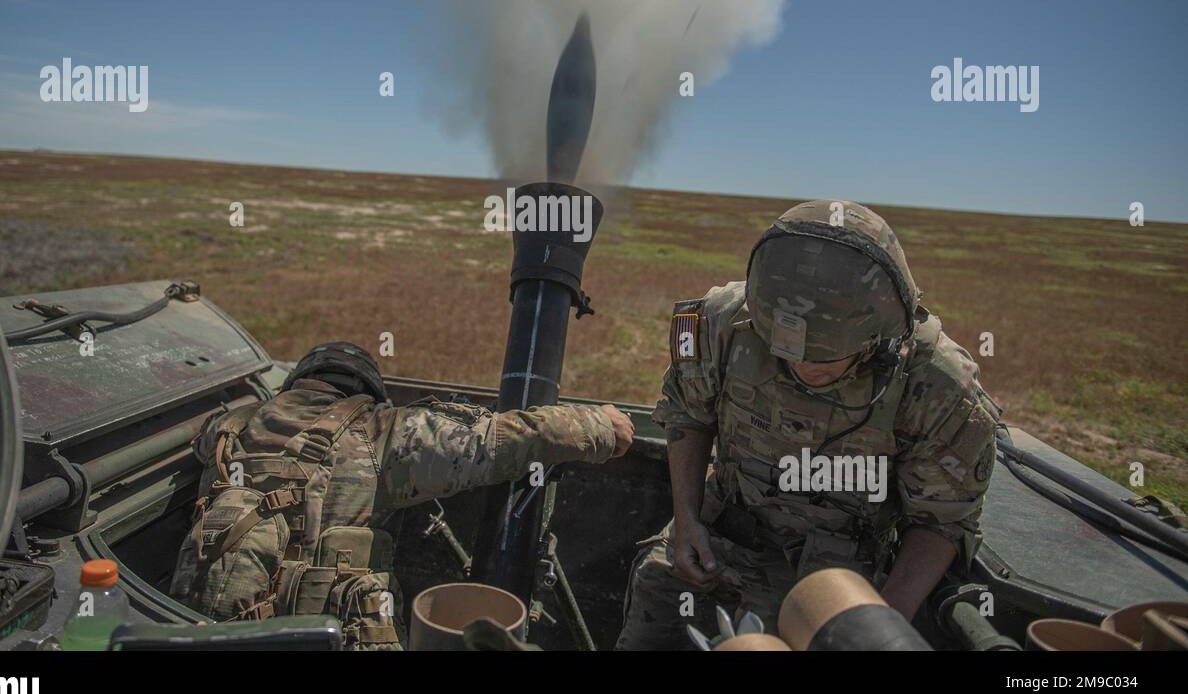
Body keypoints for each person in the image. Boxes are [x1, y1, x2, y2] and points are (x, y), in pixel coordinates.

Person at [615, 200, 1001, 650]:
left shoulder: (936, 384)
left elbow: (942, 522)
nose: (801, 367)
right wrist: (686, 521)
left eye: (823, 361)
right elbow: (687, 414)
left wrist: (876, 626)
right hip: (717, 537)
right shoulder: (724, 322)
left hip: (836, 581)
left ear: (880, 337)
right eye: (784, 351)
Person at [170, 340, 634, 649]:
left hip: (201, 629)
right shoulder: (382, 431)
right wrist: (599, 426)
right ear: (367, 391)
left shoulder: (227, 428)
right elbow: (498, 443)